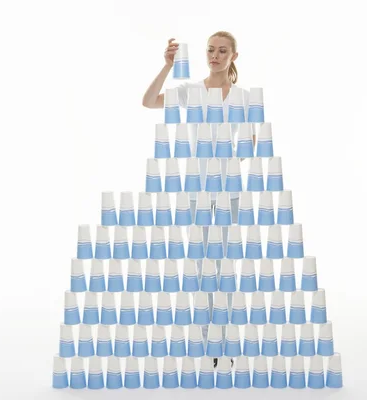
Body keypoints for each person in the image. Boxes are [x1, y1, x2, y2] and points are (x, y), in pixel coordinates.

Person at [142, 31, 255, 368]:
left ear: (234, 56)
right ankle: (207, 342)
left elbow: (250, 144)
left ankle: (226, 340)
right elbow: (148, 101)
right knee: (203, 264)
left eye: (222, 51)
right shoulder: (189, 92)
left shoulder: (244, 96)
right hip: (195, 190)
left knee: (224, 264)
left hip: (229, 190)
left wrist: (231, 152)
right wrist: (166, 66)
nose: (215, 55)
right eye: (210, 50)